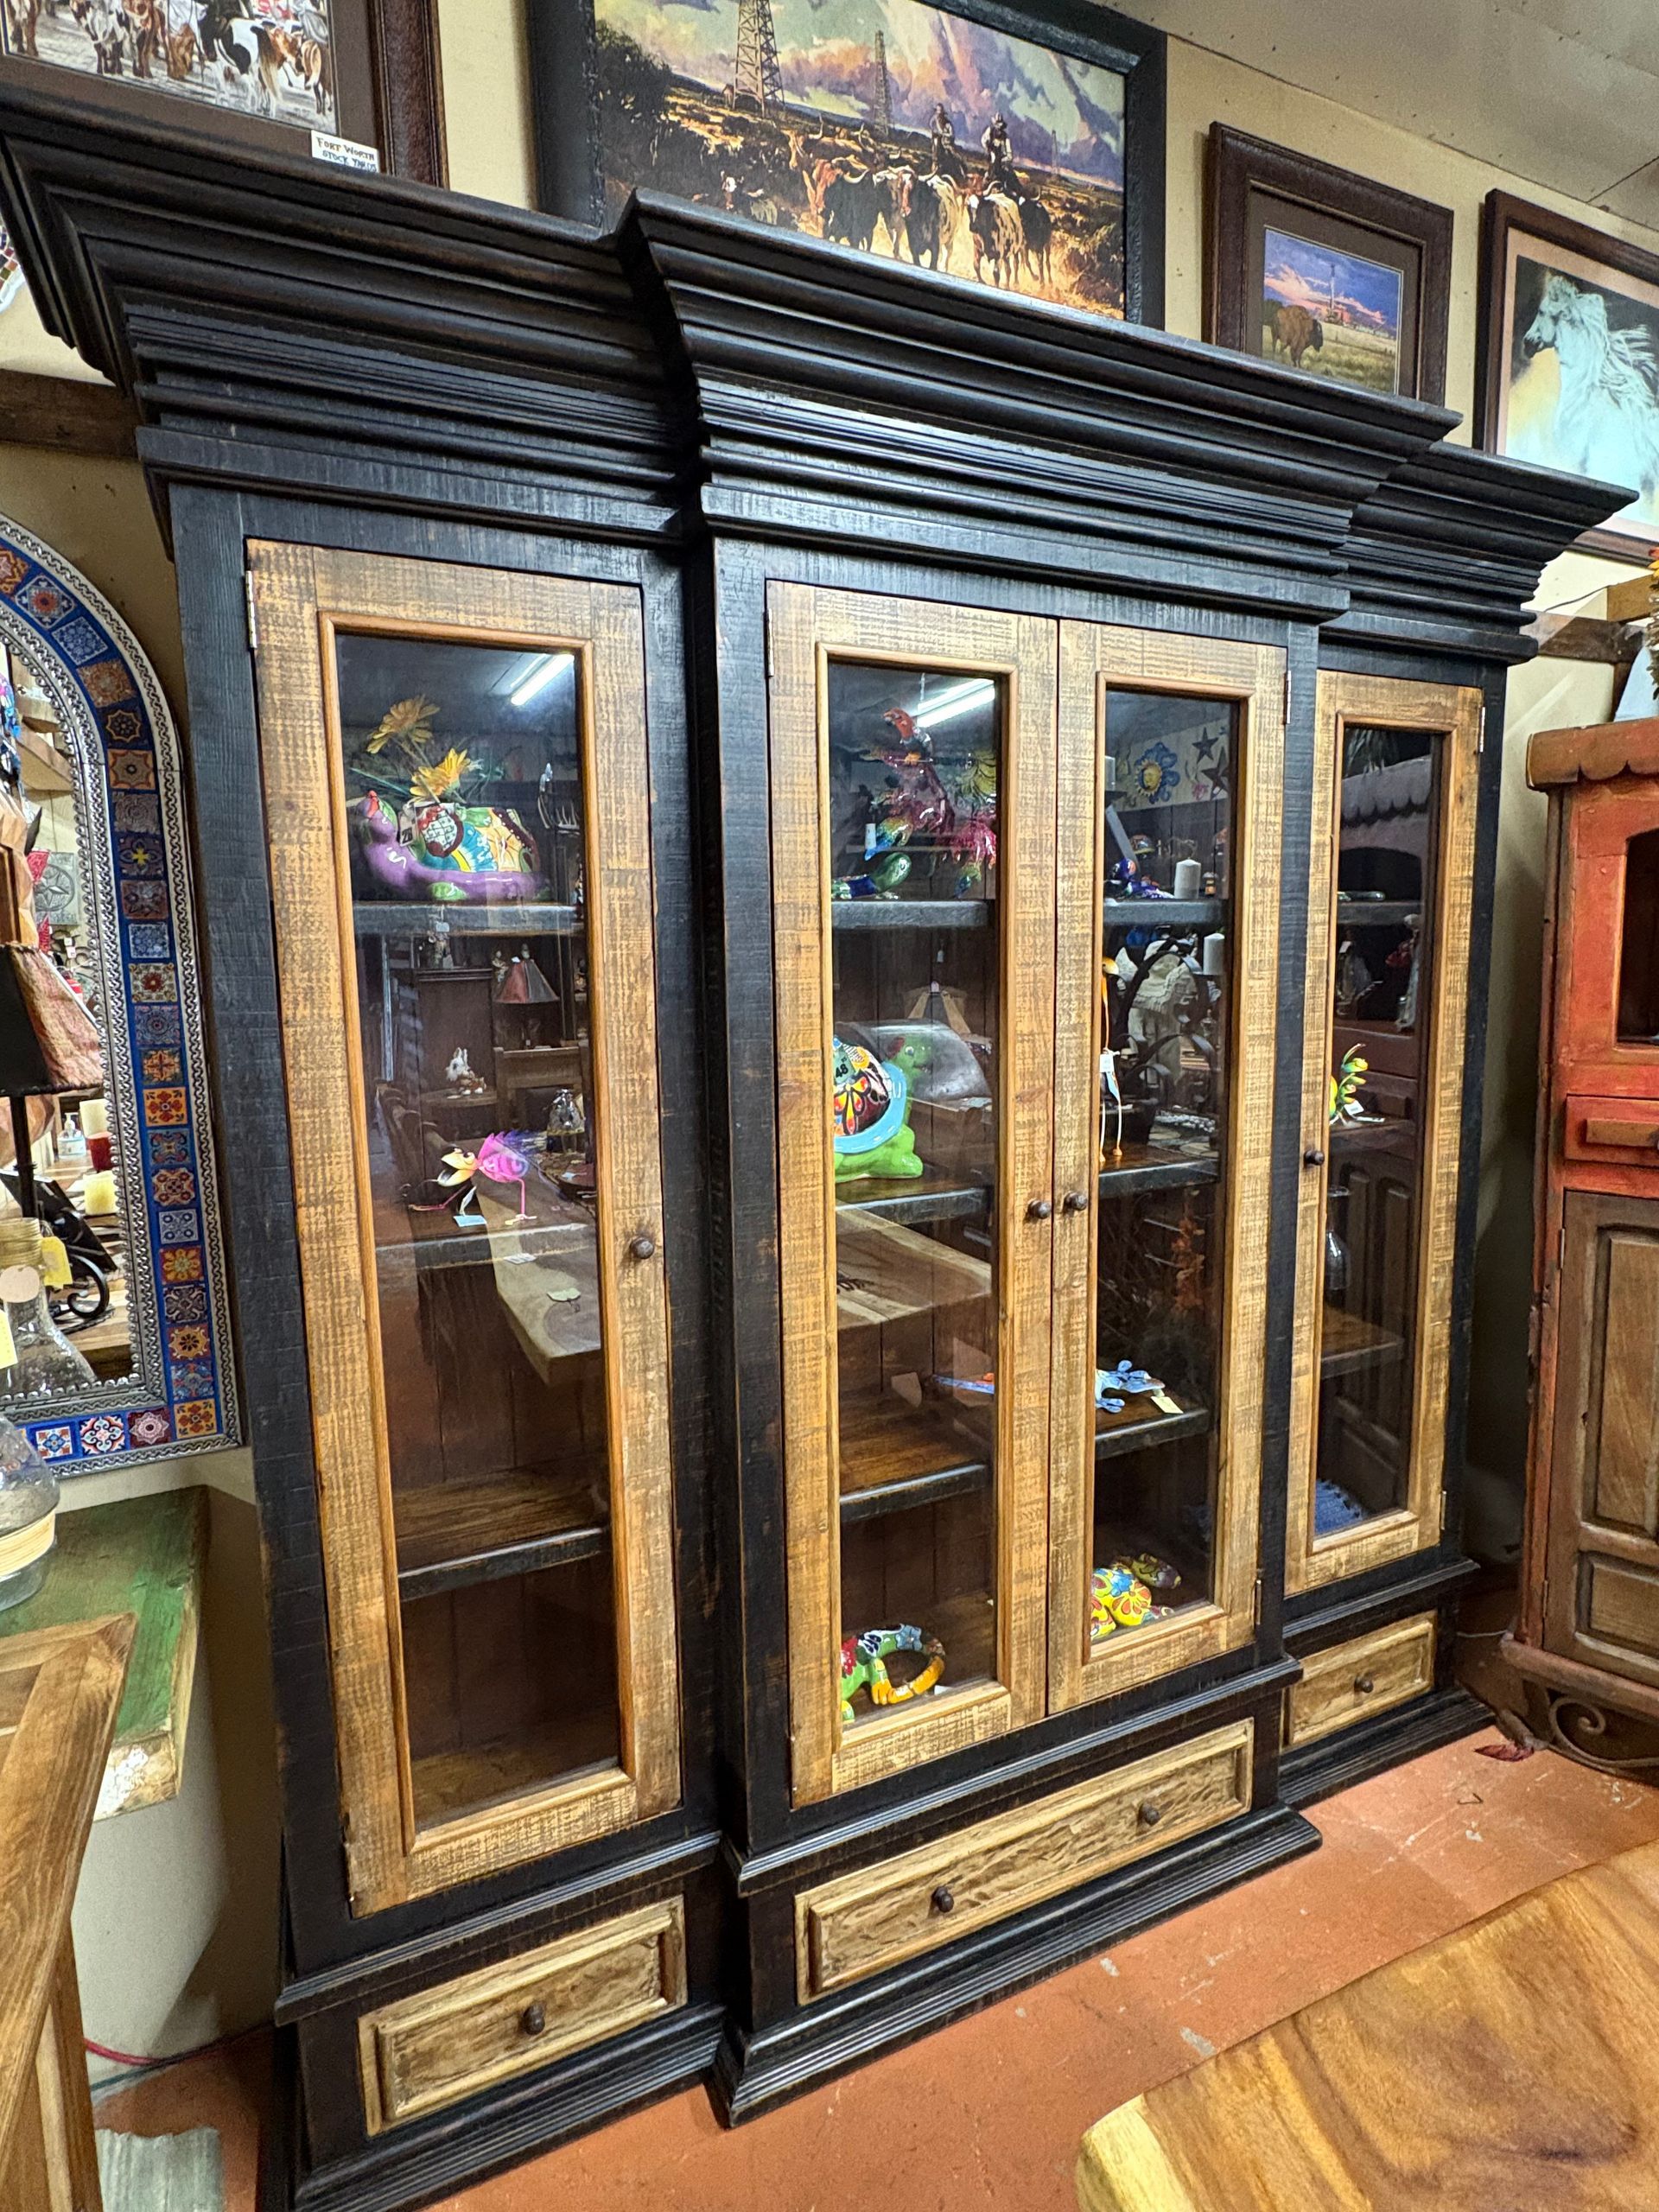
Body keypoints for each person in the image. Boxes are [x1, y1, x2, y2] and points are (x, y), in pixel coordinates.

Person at [982, 111, 1018, 196]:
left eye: (1000, 126)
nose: (999, 128)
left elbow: (1010, 155)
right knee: (986, 179)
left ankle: (1014, 193)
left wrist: (1003, 159)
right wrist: (989, 149)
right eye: (997, 125)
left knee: (1010, 178)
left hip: (1002, 163)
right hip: (992, 162)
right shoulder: (990, 131)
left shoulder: (1006, 138)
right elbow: (983, 141)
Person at [929, 101, 964, 181]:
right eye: (938, 114)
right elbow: (931, 125)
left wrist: (945, 134)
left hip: (946, 143)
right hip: (937, 140)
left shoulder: (948, 124)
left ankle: (960, 172)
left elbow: (952, 135)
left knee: (954, 154)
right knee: (934, 151)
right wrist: (934, 132)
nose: (939, 116)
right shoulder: (934, 120)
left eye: (940, 114)